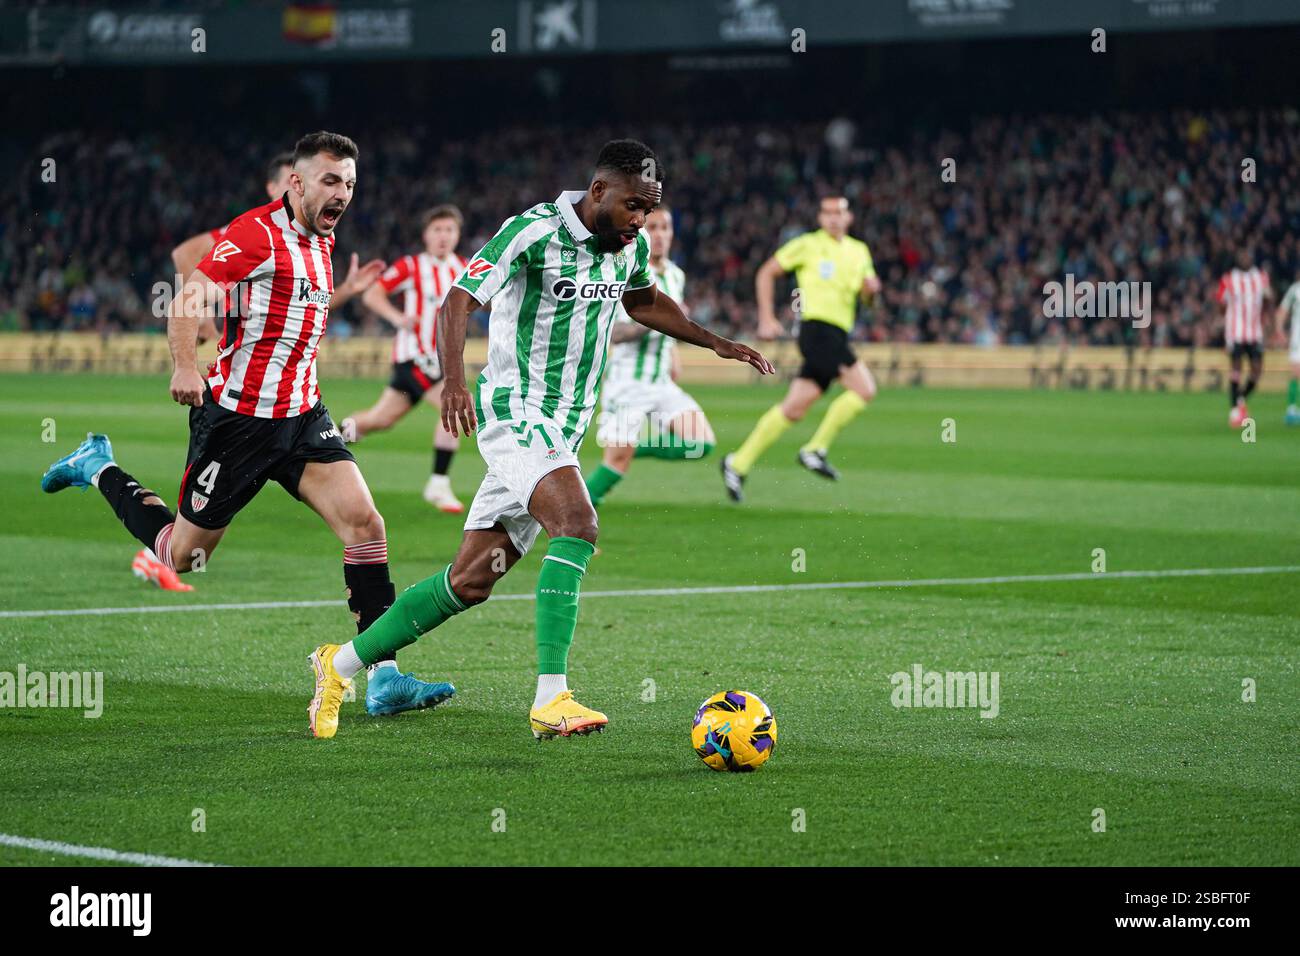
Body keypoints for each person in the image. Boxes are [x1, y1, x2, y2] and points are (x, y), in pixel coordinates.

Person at [305, 139, 773, 740]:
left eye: (649, 213)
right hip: (516, 413)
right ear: (599, 191)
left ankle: (339, 665)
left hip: (565, 427)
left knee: (471, 578)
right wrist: (453, 382)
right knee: (577, 522)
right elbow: (458, 300)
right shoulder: (533, 232)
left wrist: (716, 342)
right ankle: (552, 697)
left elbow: (645, 300)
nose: (640, 224)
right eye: (633, 208)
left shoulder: (623, 248)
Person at [42, 131, 452, 723]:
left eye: (351, 184)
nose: (342, 194)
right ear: (297, 181)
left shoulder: (324, 237)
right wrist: (186, 363)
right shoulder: (254, 234)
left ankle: (383, 675)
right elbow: (188, 299)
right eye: (331, 181)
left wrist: (343, 296)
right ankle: (96, 466)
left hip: (304, 418)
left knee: (365, 524)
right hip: (235, 423)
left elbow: (293, 301)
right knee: (181, 556)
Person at [721, 196, 881, 502]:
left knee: (793, 409)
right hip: (816, 330)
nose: (834, 218)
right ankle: (814, 449)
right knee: (865, 390)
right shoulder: (807, 244)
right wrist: (766, 317)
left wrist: (871, 293)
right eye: (828, 213)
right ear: (820, 217)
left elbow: (868, 300)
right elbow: (766, 272)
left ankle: (737, 462)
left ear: (848, 219)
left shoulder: (859, 251)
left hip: (838, 334)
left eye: (840, 213)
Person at [340, 206, 469, 513]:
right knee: (453, 405)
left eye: (449, 230)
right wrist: (397, 318)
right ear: (425, 235)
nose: (443, 236)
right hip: (414, 357)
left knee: (378, 420)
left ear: (457, 235)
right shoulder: (411, 265)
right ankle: (438, 483)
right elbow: (372, 294)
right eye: (437, 230)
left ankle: (326, 437)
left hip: (440, 362)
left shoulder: (465, 267)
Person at [585, 206, 714, 508]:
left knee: (700, 443)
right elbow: (614, 333)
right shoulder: (623, 269)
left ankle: (636, 447)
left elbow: (671, 332)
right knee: (616, 464)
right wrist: (658, 320)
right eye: (652, 228)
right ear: (641, 232)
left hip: (660, 382)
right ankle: (571, 527)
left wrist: (673, 360)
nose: (659, 235)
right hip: (628, 383)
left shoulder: (675, 275)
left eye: (665, 228)